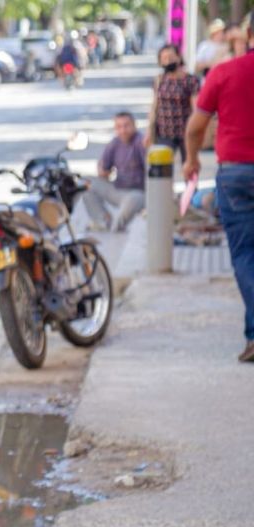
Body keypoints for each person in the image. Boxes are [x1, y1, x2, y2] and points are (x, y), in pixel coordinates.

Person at [185, 11, 254, 363]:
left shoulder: (225, 72)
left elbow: (195, 127)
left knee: (245, 254)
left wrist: (191, 159)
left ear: (248, 34)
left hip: (237, 174)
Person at [81, 112, 146, 232]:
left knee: (131, 203)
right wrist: (103, 171)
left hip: (138, 192)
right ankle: (103, 220)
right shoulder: (115, 143)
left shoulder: (140, 142)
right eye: (119, 127)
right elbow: (103, 167)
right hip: (118, 189)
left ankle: (116, 227)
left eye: (126, 126)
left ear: (134, 126)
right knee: (86, 184)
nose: (123, 130)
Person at [146, 44, 200, 162]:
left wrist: (197, 131)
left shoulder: (191, 81)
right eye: (164, 58)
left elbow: (196, 108)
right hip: (164, 133)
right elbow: (154, 106)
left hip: (186, 133)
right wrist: (149, 131)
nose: (168, 60)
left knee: (190, 166)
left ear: (179, 58)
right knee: (162, 169)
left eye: (171, 57)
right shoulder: (159, 80)